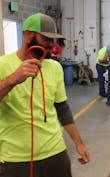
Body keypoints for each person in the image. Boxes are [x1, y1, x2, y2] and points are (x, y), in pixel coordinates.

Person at [0, 13, 90, 177]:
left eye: (53, 40)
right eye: (46, 38)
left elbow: (62, 108)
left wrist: (79, 143)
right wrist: (12, 79)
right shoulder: (3, 65)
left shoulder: (55, 67)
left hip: (55, 151)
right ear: (28, 34)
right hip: (16, 158)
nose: (51, 45)